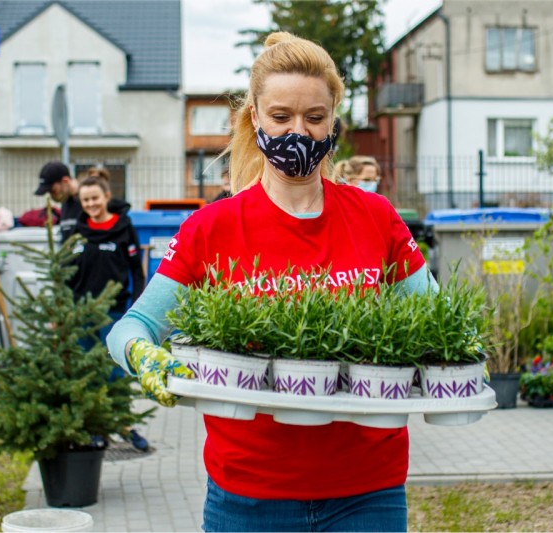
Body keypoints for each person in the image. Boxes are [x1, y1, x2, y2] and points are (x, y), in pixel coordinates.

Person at [107, 32, 438, 532]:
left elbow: (437, 322)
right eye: (281, 117)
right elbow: (129, 330)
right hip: (249, 496)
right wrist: (144, 356)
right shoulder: (212, 228)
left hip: (367, 490)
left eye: (315, 118)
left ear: (334, 123)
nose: (298, 133)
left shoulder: (375, 217)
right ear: (255, 118)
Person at [68, 176, 148, 450]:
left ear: (106, 196)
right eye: (85, 200)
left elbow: (136, 271)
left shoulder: (124, 228)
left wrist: (136, 307)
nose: (91, 204)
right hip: (80, 313)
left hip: (113, 313)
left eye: (95, 198)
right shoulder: (75, 231)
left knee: (116, 372)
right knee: (88, 372)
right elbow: (65, 275)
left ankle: (124, 425)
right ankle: (95, 429)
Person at [34, 162, 129, 242]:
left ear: (65, 181)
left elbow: (120, 211)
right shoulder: (66, 203)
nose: (51, 195)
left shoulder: (90, 203)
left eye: (53, 190)